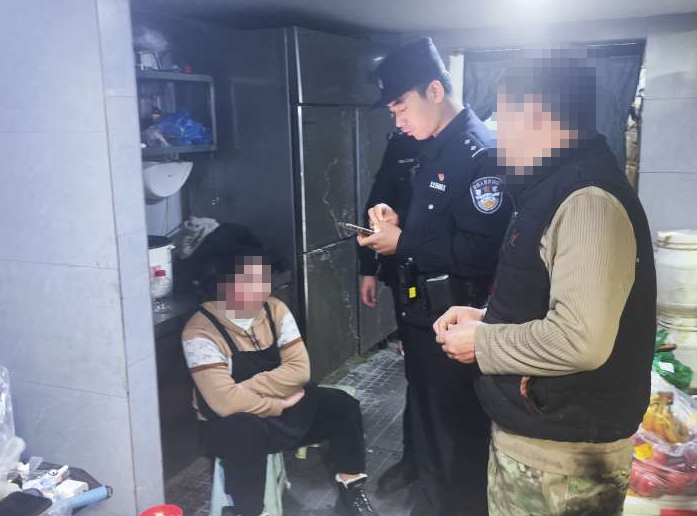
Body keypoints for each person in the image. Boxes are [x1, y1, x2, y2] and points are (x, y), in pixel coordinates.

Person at [434, 49, 656, 516]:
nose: (498, 134)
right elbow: (549, 299)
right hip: (541, 442)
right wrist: (486, 318)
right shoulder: (553, 188)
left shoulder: (588, 201)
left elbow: (580, 340)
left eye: (502, 117)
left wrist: (483, 342)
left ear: (535, 113)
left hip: (563, 463)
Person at [357, 37, 511, 516]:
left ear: (435, 92)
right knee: (426, 411)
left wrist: (402, 242)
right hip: (421, 311)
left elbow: (479, 252)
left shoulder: (480, 154)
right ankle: (426, 492)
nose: (398, 120)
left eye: (401, 107)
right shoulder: (429, 147)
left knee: (457, 428)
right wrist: (394, 223)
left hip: (456, 316)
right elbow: (432, 224)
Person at [181, 252, 378, 516]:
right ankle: (248, 511)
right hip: (226, 425)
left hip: (280, 415)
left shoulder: (275, 310)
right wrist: (278, 403)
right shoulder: (199, 331)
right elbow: (223, 403)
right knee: (244, 429)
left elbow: (299, 371)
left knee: (342, 404)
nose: (260, 291)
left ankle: (351, 488)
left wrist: (242, 388)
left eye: (263, 281)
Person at [357, 129, 426, 494]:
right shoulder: (402, 144)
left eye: (402, 107)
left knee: (453, 379)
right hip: (406, 279)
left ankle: (450, 466)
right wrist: (367, 268)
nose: (399, 119)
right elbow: (376, 203)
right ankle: (414, 458)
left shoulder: (469, 146)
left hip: (458, 284)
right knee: (416, 372)